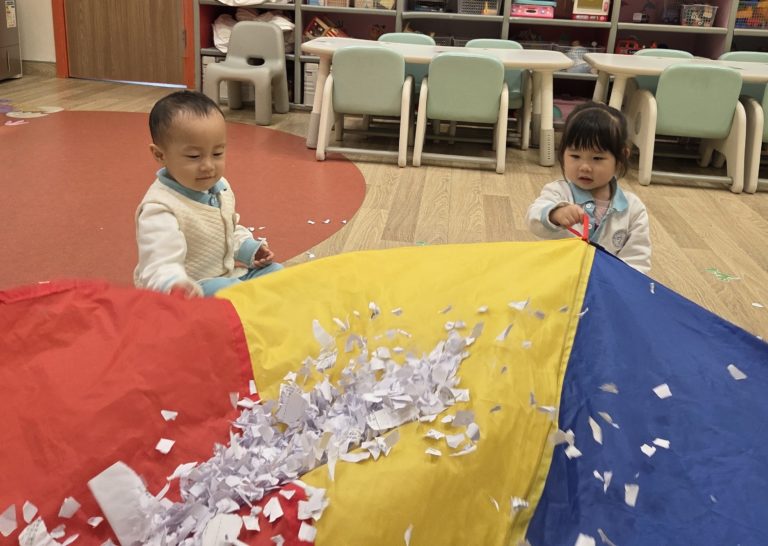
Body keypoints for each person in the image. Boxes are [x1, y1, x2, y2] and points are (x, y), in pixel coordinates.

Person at [134, 90, 282, 297]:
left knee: (276, 273)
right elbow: (159, 264)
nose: (208, 166)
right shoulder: (160, 208)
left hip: (227, 277)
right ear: (160, 155)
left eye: (217, 153)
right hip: (192, 289)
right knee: (229, 292)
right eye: (194, 156)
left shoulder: (220, 187)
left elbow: (228, 230)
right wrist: (174, 285)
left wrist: (249, 248)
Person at [527, 101, 651, 274]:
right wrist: (555, 214)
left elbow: (637, 259)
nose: (584, 167)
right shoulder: (559, 192)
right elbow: (534, 219)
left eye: (597, 158)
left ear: (621, 157)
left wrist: (621, 283)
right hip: (558, 278)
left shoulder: (633, 209)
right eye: (575, 156)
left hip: (605, 284)